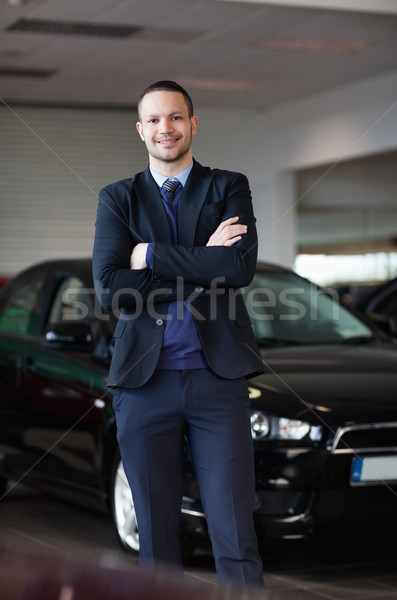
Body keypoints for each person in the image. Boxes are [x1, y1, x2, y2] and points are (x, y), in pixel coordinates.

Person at [92, 80, 265, 589]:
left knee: (234, 532)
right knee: (157, 538)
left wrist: (150, 256)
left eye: (175, 117)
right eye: (154, 119)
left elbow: (237, 268)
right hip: (144, 386)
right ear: (141, 130)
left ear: (193, 124)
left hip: (218, 382)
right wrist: (202, 258)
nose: (165, 128)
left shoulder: (228, 186)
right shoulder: (118, 198)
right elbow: (109, 289)